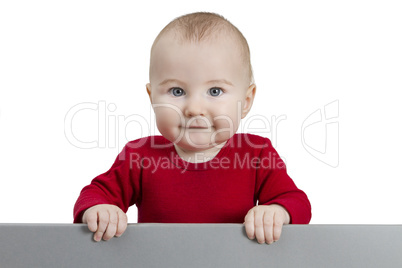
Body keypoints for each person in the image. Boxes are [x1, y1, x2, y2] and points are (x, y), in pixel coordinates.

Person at [73, 11, 311, 244]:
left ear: (246, 101)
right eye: (177, 91)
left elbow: (296, 202)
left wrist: (277, 211)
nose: (194, 108)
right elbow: (93, 195)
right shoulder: (140, 156)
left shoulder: (257, 153)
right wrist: (100, 210)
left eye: (215, 91)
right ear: (152, 96)